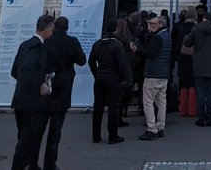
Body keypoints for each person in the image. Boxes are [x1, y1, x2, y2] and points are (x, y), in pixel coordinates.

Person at [11, 14, 56, 170]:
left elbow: (15, 71)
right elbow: (28, 70)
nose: (52, 33)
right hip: (32, 101)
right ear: (49, 29)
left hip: (19, 99)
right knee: (26, 141)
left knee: (25, 138)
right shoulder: (39, 48)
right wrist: (41, 85)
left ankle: (32, 166)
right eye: (52, 30)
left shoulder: (24, 45)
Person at [42, 16, 86, 170]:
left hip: (47, 85)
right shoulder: (71, 42)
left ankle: (31, 161)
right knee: (56, 129)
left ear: (54, 27)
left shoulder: (47, 41)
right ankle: (50, 163)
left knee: (38, 127)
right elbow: (82, 60)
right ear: (67, 28)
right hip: (64, 87)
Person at [89, 19, 132, 144]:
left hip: (100, 78)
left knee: (98, 107)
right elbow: (122, 64)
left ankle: (95, 135)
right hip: (113, 79)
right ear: (116, 29)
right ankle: (112, 135)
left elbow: (91, 61)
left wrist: (96, 74)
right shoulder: (117, 45)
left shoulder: (97, 44)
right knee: (113, 107)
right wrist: (124, 79)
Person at [184, 5, 211, 127]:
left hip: (199, 64)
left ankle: (201, 118)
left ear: (204, 18)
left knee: (200, 91)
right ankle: (210, 117)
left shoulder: (196, 28)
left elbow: (187, 43)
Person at [138, 15, 171, 141]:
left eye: (153, 23)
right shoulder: (166, 36)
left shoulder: (157, 37)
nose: (151, 25)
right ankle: (160, 126)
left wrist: (137, 50)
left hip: (153, 72)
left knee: (148, 101)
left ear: (160, 24)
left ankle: (151, 128)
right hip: (163, 72)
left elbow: (150, 53)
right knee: (161, 101)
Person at [172, 10, 196, 119]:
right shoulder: (196, 28)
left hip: (181, 57)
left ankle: (183, 108)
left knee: (183, 83)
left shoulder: (179, 27)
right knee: (192, 84)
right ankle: (192, 109)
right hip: (192, 58)